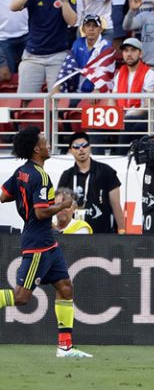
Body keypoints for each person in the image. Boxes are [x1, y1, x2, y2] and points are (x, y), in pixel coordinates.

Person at [0, 127, 92, 358]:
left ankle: (65, 347)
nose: (48, 144)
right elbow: (41, 213)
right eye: (44, 141)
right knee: (22, 297)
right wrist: (63, 205)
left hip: (47, 243)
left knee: (65, 287)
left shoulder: (22, 171)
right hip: (38, 243)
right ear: (36, 148)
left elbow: (3, 196)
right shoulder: (40, 176)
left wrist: (25, 200)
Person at [10, 0, 76, 94]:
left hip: (58, 54)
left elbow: (72, 21)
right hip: (32, 56)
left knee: (58, 101)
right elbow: (13, 7)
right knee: (24, 100)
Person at [58, 132, 125, 234]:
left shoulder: (106, 171)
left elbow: (116, 206)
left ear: (90, 147)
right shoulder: (67, 175)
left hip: (102, 235)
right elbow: (59, 207)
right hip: (73, 236)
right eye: (76, 147)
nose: (81, 149)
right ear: (70, 151)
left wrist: (122, 232)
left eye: (84, 145)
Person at [110, 38, 154, 151]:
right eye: (126, 51)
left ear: (140, 54)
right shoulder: (120, 72)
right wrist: (111, 114)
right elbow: (113, 98)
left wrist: (126, 116)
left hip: (140, 116)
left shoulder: (149, 73)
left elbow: (148, 106)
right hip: (121, 115)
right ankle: (99, 158)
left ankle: (119, 157)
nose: (129, 54)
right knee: (95, 127)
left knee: (127, 122)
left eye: (133, 50)